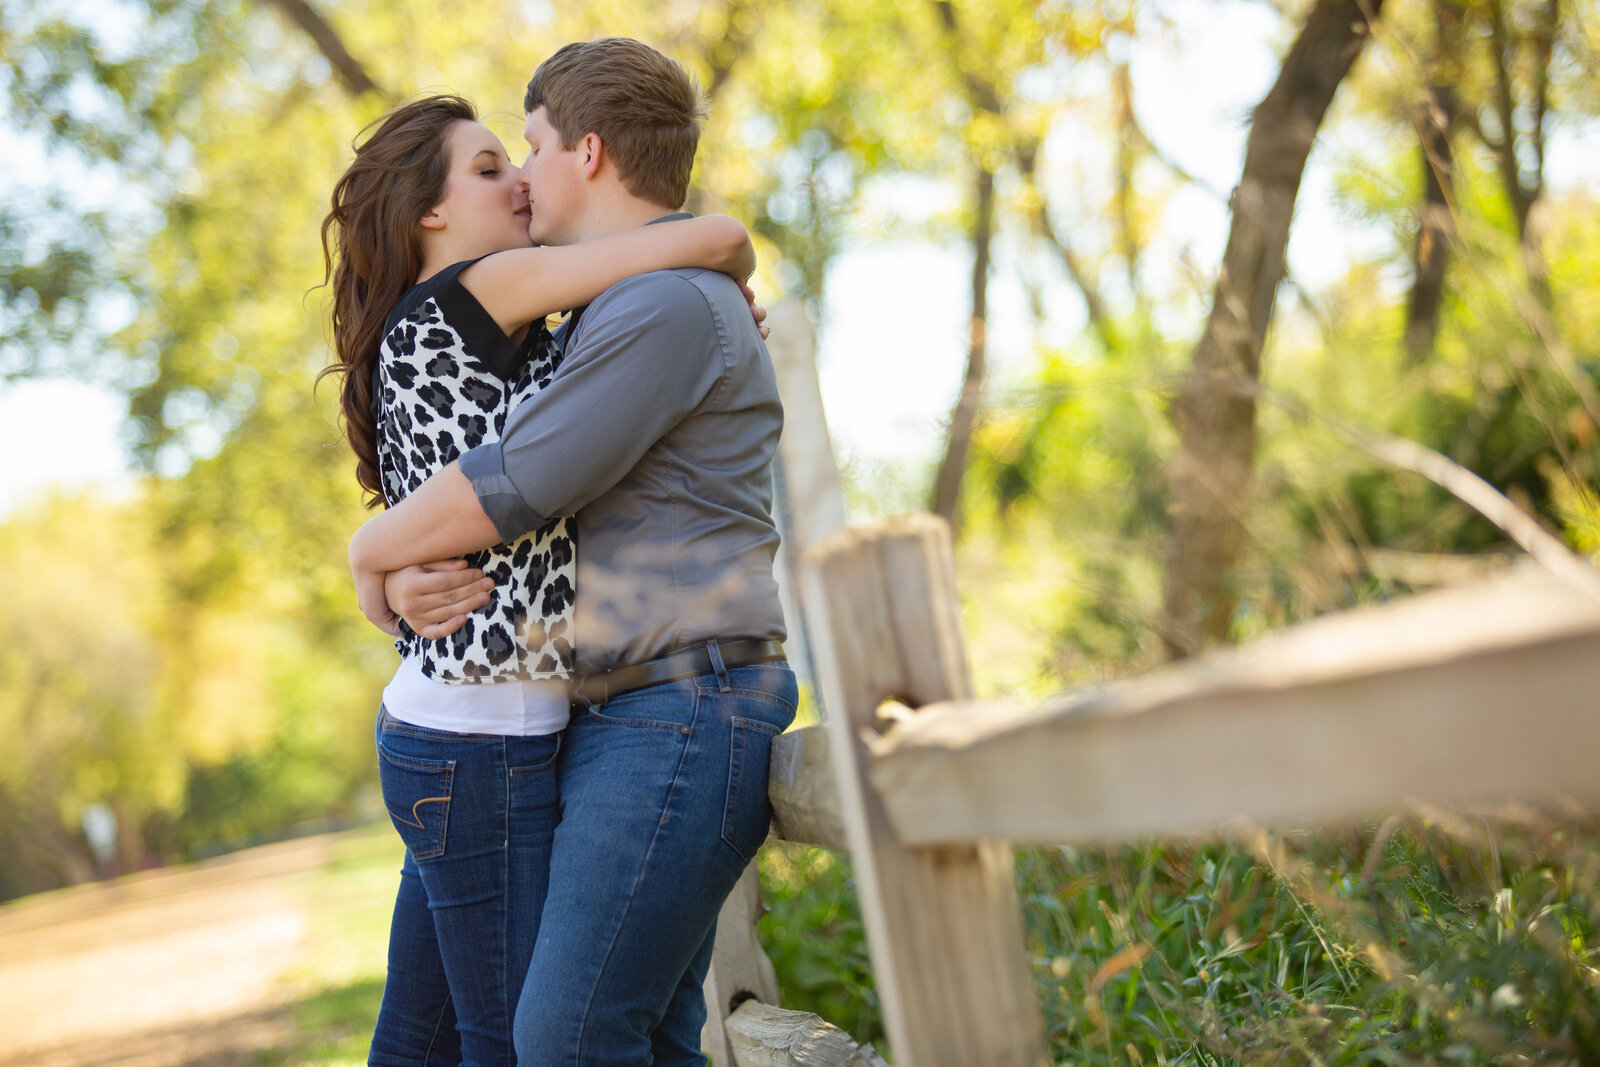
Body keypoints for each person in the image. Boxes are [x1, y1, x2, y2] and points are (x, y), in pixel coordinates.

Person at [348, 38, 794, 1067]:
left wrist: (373, 548)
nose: (522, 176)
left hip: (680, 699)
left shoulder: (656, 306)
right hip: (611, 705)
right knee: (608, 1032)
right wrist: (408, 562)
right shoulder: (605, 305)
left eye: (531, 148)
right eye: (494, 163)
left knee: (562, 1035)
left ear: (587, 153)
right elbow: (486, 471)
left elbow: (518, 481)